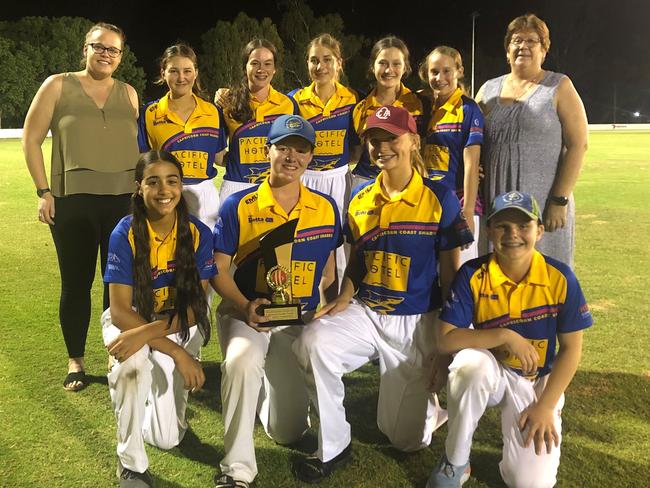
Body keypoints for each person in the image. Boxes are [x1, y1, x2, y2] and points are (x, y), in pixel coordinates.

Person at [292, 106, 473, 483]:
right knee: (313, 341)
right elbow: (357, 260)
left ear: (412, 141)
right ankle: (333, 447)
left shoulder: (439, 197)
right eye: (374, 139)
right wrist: (343, 294)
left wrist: (445, 342)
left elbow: (450, 273)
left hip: (417, 319)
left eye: (391, 137)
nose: (381, 146)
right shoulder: (359, 199)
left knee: (405, 440)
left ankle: (429, 411)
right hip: (366, 311)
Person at [426, 190, 592, 488]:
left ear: (539, 231)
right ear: (489, 230)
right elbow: (444, 340)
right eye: (502, 226)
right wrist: (505, 335)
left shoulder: (560, 277)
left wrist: (545, 406)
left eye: (523, 226)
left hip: (536, 380)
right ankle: (456, 460)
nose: (512, 234)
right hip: (495, 370)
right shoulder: (473, 273)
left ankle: (520, 450)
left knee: (529, 483)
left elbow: (571, 349)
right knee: (469, 364)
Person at [211, 114, 341, 488]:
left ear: (310, 157)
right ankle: (237, 471)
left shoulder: (326, 207)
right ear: (267, 150)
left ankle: (269, 392)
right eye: (282, 147)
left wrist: (324, 310)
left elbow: (329, 271)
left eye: (300, 150)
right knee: (240, 360)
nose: (291, 156)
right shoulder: (238, 204)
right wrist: (242, 306)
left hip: (294, 317)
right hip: (246, 312)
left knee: (286, 432)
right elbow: (218, 270)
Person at [22, 22, 140, 392]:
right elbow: (31, 139)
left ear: (121, 56)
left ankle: (113, 352)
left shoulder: (130, 94)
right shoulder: (58, 85)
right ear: (85, 49)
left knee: (117, 285)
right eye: (99, 47)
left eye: (113, 50)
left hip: (123, 202)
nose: (106, 54)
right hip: (72, 201)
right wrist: (44, 190)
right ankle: (76, 360)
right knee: (76, 284)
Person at [102, 150, 215, 487]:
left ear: (181, 186)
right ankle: (131, 464)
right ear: (139, 188)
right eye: (153, 182)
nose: (164, 189)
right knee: (132, 366)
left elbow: (196, 307)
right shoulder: (125, 233)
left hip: (174, 322)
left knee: (168, 438)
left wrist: (152, 337)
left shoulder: (197, 234)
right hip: (129, 322)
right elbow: (120, 311)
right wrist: (177, 352)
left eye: (172, 180)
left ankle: (144, 399)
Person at [476, 13, 588, 267]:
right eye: (516, 40)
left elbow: (578, 144)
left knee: (547, 274)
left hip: (544, 203)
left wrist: (560, 200)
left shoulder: (559, 86)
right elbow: (472, 142)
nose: (523, 46)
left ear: (544, 50)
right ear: (507, 50)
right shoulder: (487, 90)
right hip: (497, 200)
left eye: (532, 41)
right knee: (498, 273)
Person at [289, 33, 359, 286]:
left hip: (338, 179)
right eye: (314, 60)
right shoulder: (295, 99)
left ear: (339, 62)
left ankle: (337, 312)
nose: (320, 67)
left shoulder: (352, 98)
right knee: (303, 245)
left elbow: (356, 146)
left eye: (327, 59)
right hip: (305, 179)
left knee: (340, 249)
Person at [138, 43, 227, 230]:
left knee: (205, 255)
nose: (181, 78)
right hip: (165, 194)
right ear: (163, 73)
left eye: (187, 71)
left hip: (205, 195)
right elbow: (142, 160)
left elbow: (219, 158)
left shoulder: (212, 111)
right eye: (174, 71)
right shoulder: (149, 113)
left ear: (195, 73)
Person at [419, 46, 484, 263]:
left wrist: (466, 211)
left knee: (459, 275)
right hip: (426, 203)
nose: (440, 78)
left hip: (457, 203)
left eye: (447, 71)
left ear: (459, 71)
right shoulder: (423, 107)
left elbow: (472, 165)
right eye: (434, 72)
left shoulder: (468, 109)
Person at [215, 38, 296, 203]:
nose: (261, 69)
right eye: (255, 63)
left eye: (267, 64)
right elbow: (218, 156)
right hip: (236, 188)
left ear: (275, 69)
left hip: (275, 187)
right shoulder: (228, 102)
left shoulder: (288, 104)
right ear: (245, 67)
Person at [350, 36, 427, 190]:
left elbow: (426, 149)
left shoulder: (420, 104)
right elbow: (355, 155)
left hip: (407, 183)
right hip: (366, 183)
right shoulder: (360, 107)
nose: (388, 70)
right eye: (382, 63)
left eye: (396, 64)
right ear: (373, 67)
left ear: (405, 67)